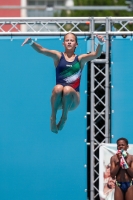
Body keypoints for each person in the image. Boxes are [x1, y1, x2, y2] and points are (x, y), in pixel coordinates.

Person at [21, 33, 105, 133]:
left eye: (72, 40)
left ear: (76, 44)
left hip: (73, 101)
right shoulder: (58, 56)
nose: (69, 42)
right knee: (58, 88)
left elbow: (96, 54)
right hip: (59, 101)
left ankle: (64, 117)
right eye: (67, 40)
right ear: (63, 44)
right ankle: (53, 116)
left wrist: (100, 42)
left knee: (67, 89)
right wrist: (31, 42)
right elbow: (42, 50)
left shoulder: (80, 59)